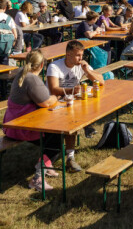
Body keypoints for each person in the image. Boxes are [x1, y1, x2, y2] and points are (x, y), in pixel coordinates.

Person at [1, 50, 63, 190]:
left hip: (13, 124)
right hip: (22, 127)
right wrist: (56, 97)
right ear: (41, 65)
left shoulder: (22, 73)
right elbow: (46, 102)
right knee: (56, 140)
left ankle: (46, 165)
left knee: (53, 137)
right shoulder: (32, 79)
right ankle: (37, 178)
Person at [45, 40, 105, 172]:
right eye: (78, 55)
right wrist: (72, 90)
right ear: (68, 54)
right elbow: (53, 89)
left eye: (82, 55)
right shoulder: (54, 66)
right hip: (53, 104)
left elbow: (101, 81)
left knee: (85, 108)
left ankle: (70, 157)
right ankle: (86, 128)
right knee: (72, 119)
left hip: (70, 103)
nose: (80, 58)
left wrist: (87, 71)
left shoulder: (81, 65)